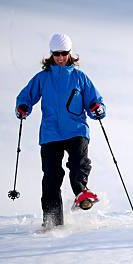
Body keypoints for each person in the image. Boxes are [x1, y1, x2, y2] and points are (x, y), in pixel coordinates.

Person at [15, 33, 106, 228]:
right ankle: (52, 221)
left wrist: (97, 109)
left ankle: (82, 193)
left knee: (78, 163)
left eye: (64, 53)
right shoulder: (43, 78)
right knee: (51, 176)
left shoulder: (79, 77)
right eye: (56, 53)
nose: (60, 57)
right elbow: (26, 96)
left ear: (69, 53)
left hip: (76, 129)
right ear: (51, 54)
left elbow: (94, 100)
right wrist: (23, 106)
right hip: (51, 133)